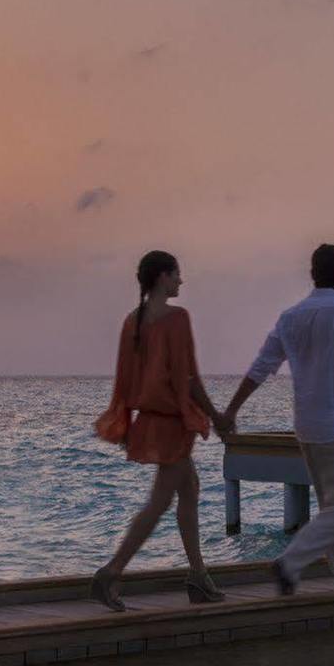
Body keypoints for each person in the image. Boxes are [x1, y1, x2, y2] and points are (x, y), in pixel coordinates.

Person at [223, 243, 334, 596]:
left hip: (307, 428)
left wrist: (232, 410)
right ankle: (291, 562)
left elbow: (261, 368)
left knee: (332, 508)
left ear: (312, 273)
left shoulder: (290, 317)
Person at [90, 250, 231, 610]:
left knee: (189, 489)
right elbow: (188, 376)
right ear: (161, 278)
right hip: (170, 423)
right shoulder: (177, 318)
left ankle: (198, 576)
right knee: (160, 501)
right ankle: (111, 571)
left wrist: (123, 424)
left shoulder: (131, 321)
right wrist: (216, 416)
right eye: (176, 274)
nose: (181, 281)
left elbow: (124, 380)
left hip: (151, 421)